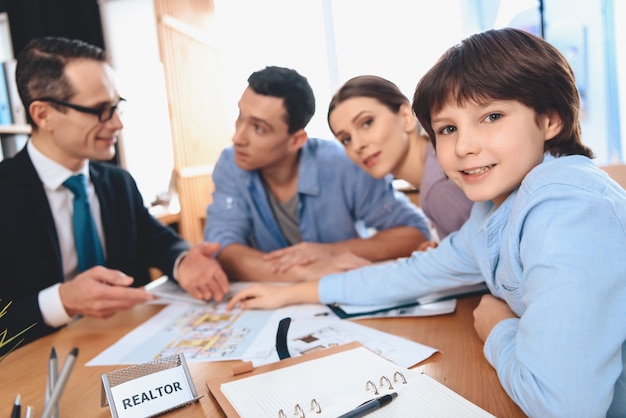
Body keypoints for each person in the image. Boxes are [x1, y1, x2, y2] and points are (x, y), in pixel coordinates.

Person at [227, 28, 626, 417]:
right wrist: (295, 292)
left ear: (550, 120)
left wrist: (499, 328)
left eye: (492, 116)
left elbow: (564, 406)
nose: (464, 146)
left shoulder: (568, 210)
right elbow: (412, 274)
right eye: (448, 129)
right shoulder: (493, 210)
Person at [0, 37, 229, 353]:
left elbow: (156, 241)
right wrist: (61, 300)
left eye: (116, 106)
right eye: (100, 110)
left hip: (126, 346)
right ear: (43, 115)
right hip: (37, 365)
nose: (118, 123)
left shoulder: (117, 182)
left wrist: (184, 259)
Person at [204, 66, 431, 282]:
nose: (238, 138)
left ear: (297, 140)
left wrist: (328, 252)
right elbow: (220, 248)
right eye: (240, 117)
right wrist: (302, 271)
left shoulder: (344, 162)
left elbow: (414, 232)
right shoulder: (231, 163)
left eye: (259, 128)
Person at [327, 75, 473, 246]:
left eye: (367, 123)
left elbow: (490, 263)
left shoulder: (439, 188)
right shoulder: (435, 167)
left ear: (405, 116)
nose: (357, 145)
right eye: (346, 139)